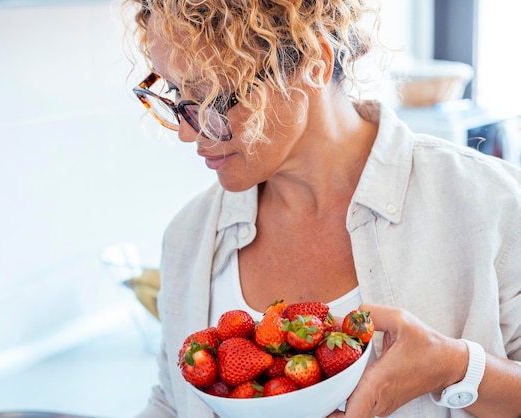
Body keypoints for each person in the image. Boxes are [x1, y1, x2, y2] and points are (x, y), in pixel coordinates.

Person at [124, 0, 521, 417]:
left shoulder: (489, 203)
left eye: (210, 97)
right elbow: (172, 401)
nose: (189, 132)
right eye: (174, 92)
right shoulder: (190, 235)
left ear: (313, 64)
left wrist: (454, 367)